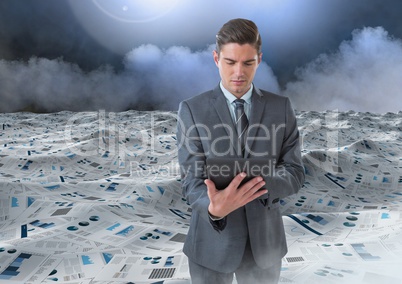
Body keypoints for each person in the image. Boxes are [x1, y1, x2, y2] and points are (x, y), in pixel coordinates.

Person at [176, 18, 305, 284]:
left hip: (265, 247)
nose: (239, 72)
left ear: (259, 59)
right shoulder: (191, 109)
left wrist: (256, 186)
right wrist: (214, 208)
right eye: (230, 62)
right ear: (216, 58)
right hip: (210, 247)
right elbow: (191, 181)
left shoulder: (281, 107)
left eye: (248, 63)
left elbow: (294, 172)